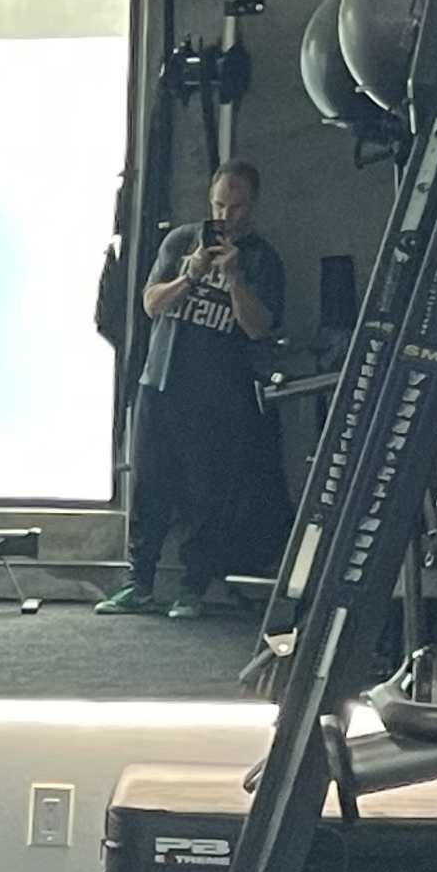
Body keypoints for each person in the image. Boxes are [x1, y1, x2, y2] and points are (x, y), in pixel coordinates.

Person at [100, 162, 282, 617]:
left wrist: (235, 279)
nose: (227, 215)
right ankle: (137, 582)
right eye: (219, 204)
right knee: (148, 489)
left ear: (252, 205)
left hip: (219, 397)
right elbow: (150, 303)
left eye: (236, 206)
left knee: (207, 498)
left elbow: (260, 329)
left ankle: (193, 587)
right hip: (160, 384)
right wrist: (191, 275)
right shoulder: (181, 242)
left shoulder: (262, 258)